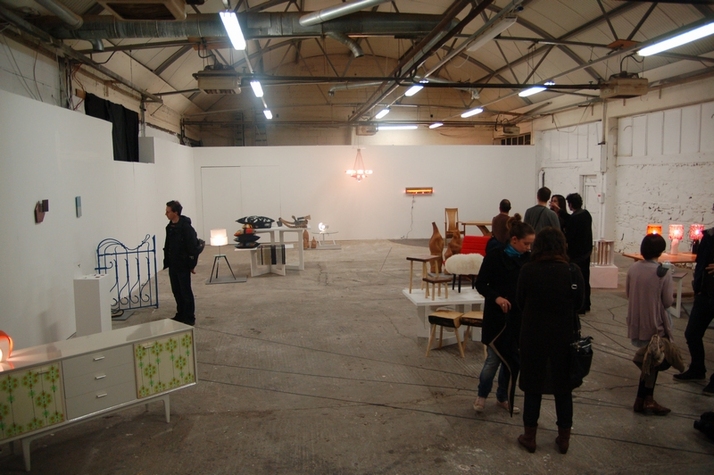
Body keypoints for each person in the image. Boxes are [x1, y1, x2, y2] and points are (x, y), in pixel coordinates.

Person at [516, 227, 584, 454]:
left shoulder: (528, 270)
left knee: (532, 388)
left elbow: (520, 301)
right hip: (563, 338)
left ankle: (529, 437)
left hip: (533, 336)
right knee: (563, 389)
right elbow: (580, 304)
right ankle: (564, 439)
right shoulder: (572, 271)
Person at [474, 215, 535, 415]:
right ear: (514, 239)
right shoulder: (495, 255)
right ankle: (482, 395)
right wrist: (497, 298)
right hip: (497, 318)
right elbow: (481, 284)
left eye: (531, 244)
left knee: (511, 362)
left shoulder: (528, 260)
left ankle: (503, 397)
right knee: (492, 361)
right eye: (526, 244)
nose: (528, 248)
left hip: (518, 318)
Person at [626, 234, 677, 415]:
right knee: (653, 361)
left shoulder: (633, 268)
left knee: (649, 360)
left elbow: (628, 293)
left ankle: (642, 399)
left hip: (637, 320)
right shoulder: (662, 272)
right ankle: (647, 399)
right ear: (660, 251)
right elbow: (668, 301)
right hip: (655, 323)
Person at [674, 224, 714, 395]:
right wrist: (697, 286)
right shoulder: (709, 236)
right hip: (705, 293)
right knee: (692, 333)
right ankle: (697, 368)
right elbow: (701, 263)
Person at [164, 200, 199, 326]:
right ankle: (180, 314)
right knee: (176, 290)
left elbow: (193, 247)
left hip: (183, 264)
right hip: (173, 264)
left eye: (168, 211)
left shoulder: (186, 228)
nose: (166, 214)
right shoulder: (169, 227)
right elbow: (168, 245)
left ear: (176, 212)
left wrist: (192, 265)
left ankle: (189, 317)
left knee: (185, 291)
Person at [565, 193, 593, 314]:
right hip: (586, 253)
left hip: (576, 255)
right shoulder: (586, 214)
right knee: (585, 279)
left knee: (577, 280)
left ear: (570, 204)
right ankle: (586, 303)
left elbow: (570, 236)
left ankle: (580, 306)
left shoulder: (574, 218)